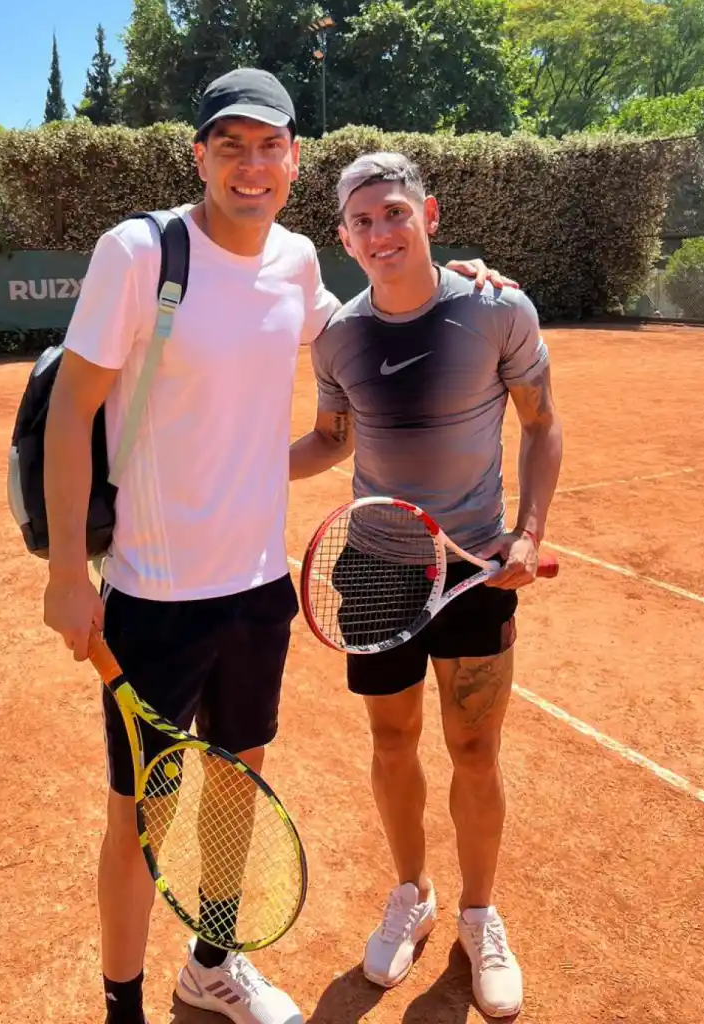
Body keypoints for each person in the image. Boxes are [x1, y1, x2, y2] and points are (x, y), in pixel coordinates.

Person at [41, 73, 516, 1024]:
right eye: (230, 146)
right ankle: (122, 1007)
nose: (250, 166)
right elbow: (70, 409)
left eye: (269, 147)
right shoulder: (139, 252)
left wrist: (457, 285)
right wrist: (64, 573)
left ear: (294, 160)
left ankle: (210, 966)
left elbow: (372, 321)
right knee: (139, 817)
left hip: (259, 595)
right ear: (199, 156)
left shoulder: (297, 262)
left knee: (233, 791)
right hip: (152, 596)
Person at [289, 152, 563, 1019]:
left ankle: (479, 915)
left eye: (395, 213)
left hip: (475, 567)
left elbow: (541, 426)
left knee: (475, 749)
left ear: (429, 215)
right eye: (362, 221)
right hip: (377, 569)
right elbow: (332, 439)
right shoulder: (338, 337)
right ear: (343, 238)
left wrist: (529, 532)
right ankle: (411, 894)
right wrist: (242, 466)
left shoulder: (496, 309)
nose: (381, 233)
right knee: (391, 742)